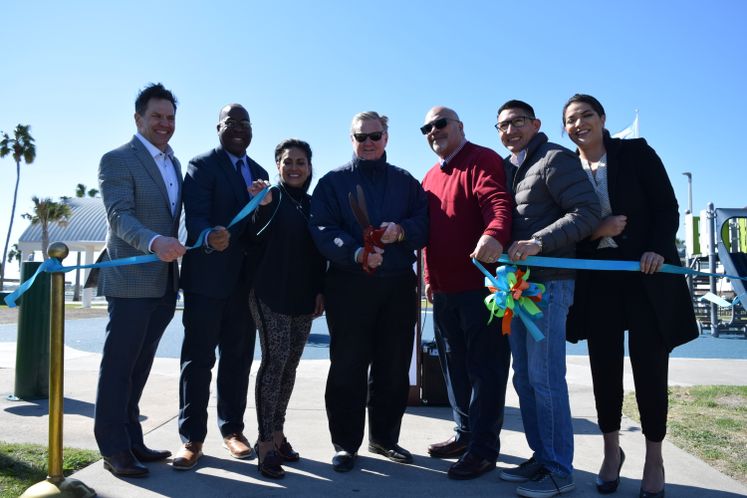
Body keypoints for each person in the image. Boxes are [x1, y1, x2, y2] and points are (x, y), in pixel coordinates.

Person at [563, 94, 698, 498]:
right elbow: (565, 226)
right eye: (570, 119)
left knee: (650, 369)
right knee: (604, 368)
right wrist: (596, 230)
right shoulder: (566, 168)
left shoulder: (635, 153)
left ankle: (654, 458)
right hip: (599, 283)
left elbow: (667, 207)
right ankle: (610, 452)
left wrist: (656, 247)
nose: (579, 123)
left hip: (646, 276)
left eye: (587, 115)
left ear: (602, 119)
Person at [309, 111, 428, 472]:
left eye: (374, 136)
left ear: (387, 137)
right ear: (351, 140)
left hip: (395, 286)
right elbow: (321, 228)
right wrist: (356, 252)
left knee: (393, 368)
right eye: (361, 137)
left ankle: (384, 438)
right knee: (348, 365)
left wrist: (401, 231)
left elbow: (425, 223)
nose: (368, 142)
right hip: (349, 286)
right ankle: (345, 444)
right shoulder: (332, 183)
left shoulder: (406, 182)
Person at [496, 100, 601, 498]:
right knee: (523, 378)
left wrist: (539, 242)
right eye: (502, 126)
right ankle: (541, 456)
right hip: (517, 287)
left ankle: (560, 469)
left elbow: (587, 211)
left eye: (517, 123)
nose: (509, 131)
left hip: (551, 285)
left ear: (535, 124)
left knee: (545, 378)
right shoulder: (512, 167)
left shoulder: (554, 159)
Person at [93, 83, 186, 477]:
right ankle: (113, 449)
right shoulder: (117, 160)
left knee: (140, 366)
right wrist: (153, 242)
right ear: (138, 119)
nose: (164, 124)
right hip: (131, 281)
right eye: (156, 117)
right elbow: (118, 216)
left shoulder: (174, 163)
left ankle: (132, 439)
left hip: (165, 282)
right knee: (119, 367)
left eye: (170, 117)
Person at [174, 103, 270, 470]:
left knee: (238, 360)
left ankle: (232, 431)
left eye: (245, 123)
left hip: (245, 286)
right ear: (218, 127)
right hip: (206, 281)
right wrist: (207, 234)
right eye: (232, 122)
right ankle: (192, 439)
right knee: (198, 362)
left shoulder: (261, 173)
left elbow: (261, 231)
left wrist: (266, 206)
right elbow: (194, 215)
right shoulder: (202, 165)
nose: (239, 128)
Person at [419, 106, 513, 480]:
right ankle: (465, 434)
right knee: (453, 367)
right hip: (443, 291)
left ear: (459, 127)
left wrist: (494, 234)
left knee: (486, 370)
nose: (433, 130)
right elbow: (428, 233)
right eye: (426, 127)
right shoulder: (428, 176)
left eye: (441, 124)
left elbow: (498, 203)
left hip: (482, 290)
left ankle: (484, 449)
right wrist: (428, 275)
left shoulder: (482, 159)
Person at [248, 139, 326, 479]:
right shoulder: (270, 198)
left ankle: (278, 432)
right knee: (274, 362)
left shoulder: (313, 204)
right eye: (287, 161)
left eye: (301, 162)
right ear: (277, 166)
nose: (294, 167)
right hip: (269, 294)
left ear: (310, 167)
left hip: (303, 297)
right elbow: (253, 238)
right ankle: (264, 441)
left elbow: (319, 251)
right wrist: (262, 206)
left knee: (290, 366)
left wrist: (320, 290)